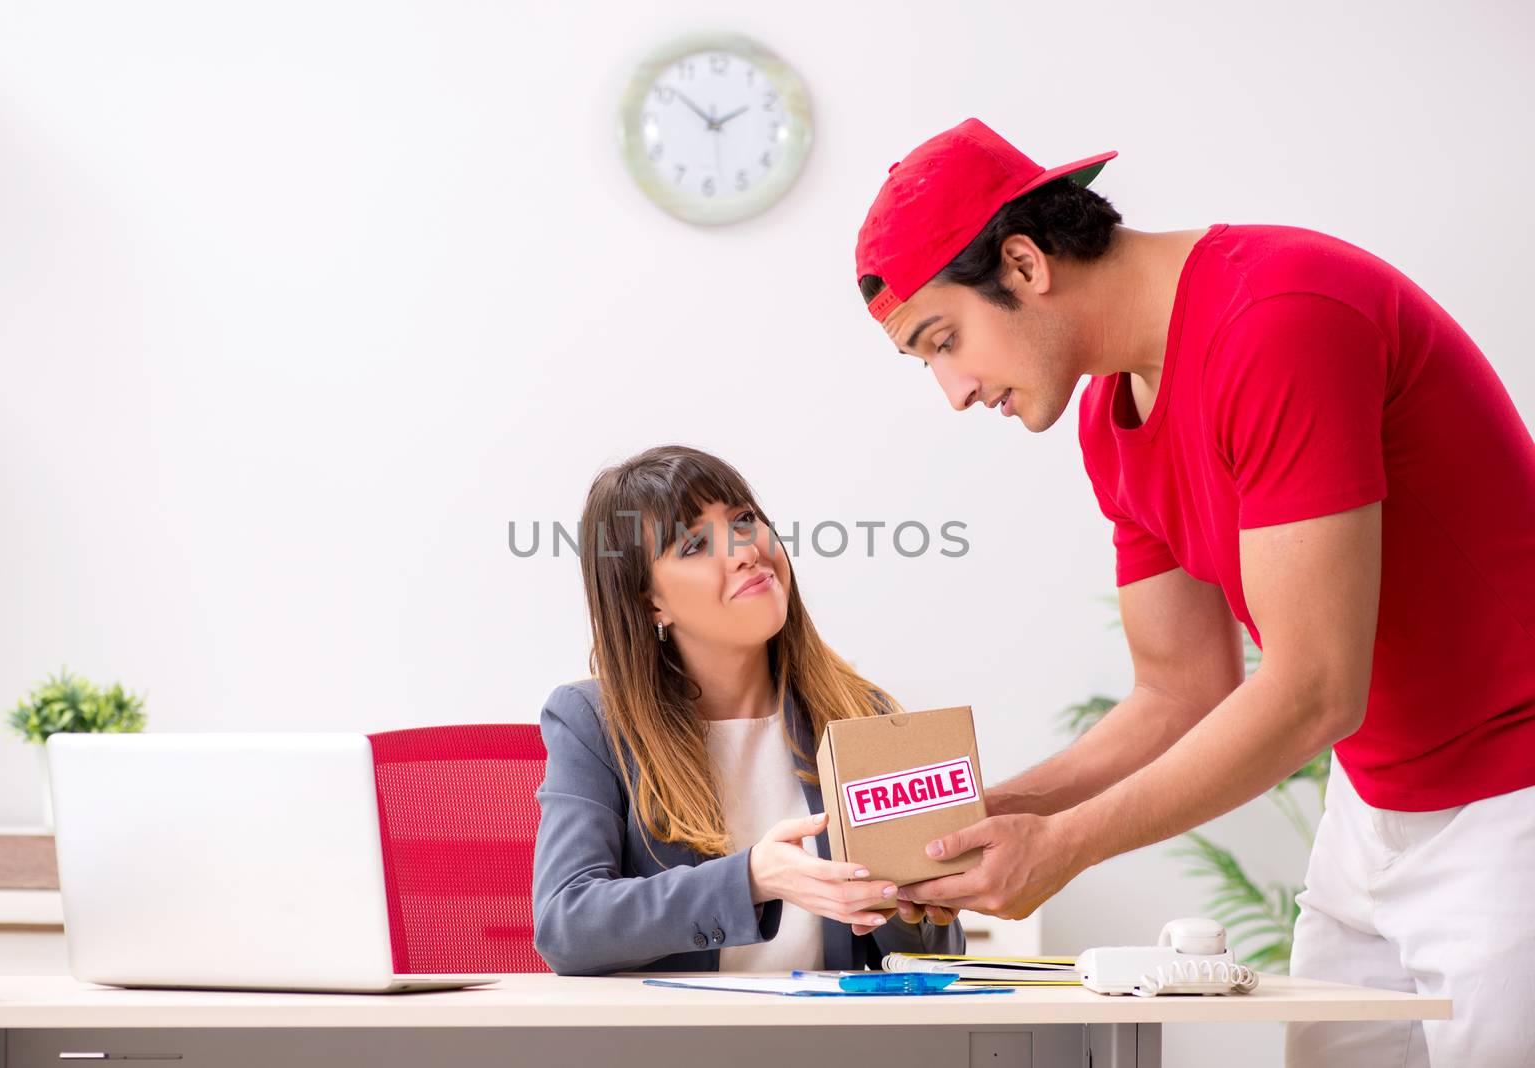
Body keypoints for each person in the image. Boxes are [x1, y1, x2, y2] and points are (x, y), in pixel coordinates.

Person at [853, 119, 1535, 1065]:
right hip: (1373, 809)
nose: (954, 392)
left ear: (1023, 263)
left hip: (1512, 804)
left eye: (944, 341)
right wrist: (998, 821)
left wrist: (1069, 847)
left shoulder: (1277, 319)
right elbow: (1180, 691)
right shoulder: (1111, 413)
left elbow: (1311, 690)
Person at [531, 444, 963, 975]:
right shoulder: (592, 722)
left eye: (743, 520)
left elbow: (941, 953)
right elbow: (567, 925)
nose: (743, 550)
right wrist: (754, 878)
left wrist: (907, 899)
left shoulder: (859, 713)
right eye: (694, 545)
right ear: (649, 603)